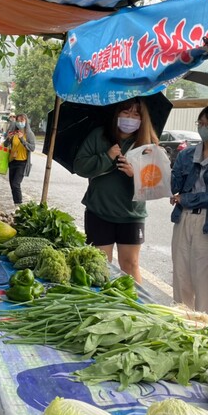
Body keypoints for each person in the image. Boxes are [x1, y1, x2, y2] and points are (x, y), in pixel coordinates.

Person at [73, 97, 158, 284]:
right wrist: (107, 156)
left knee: (130, 264)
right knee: (100, 265)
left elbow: (155, 185)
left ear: (143, 119)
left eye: (136, 114)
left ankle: (135, 308)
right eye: (126, 112)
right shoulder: (99, 136)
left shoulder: (148, 144)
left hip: (132, 214)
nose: (130, 117)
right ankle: (103, 306)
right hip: (99, 210)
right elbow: (80, 166)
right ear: (117, 114)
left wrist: (134, 174)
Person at [169, 104, 208, 319]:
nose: (204, 128)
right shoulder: (187, 154)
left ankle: (205, 331)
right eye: (201, 123)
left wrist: (185, 198)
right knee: (181, 276)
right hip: (183, 218)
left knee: (206, 280)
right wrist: (159, 163)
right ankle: (180, 326)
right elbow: (173, 184)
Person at [2, 113, 35, 205]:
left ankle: (19, 204)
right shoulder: (14, 132)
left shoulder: (29, 134)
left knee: (16, 184)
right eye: (18, 121)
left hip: (22, 162)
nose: (20, 123)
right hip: (12, 161)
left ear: (26, 121)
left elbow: (32, 148)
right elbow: (5, 145)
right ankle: (16, 204)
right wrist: (8, 139)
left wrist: (22, 140)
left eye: (22, 120)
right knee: (12, 184)